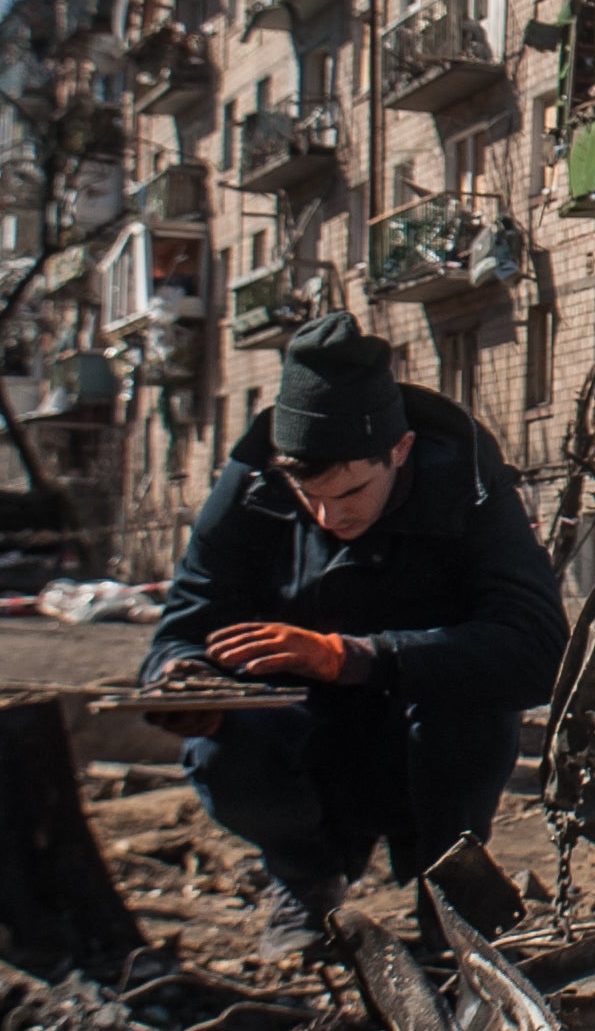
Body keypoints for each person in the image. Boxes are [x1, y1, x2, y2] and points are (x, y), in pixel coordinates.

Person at [144, 320, 566, 959]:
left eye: (349, 493)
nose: (328, 516)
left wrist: (358, 658)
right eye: (307, 496)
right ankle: (305, 883)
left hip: (429, 739)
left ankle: (445, 896)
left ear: (400, 449)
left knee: (470, 705)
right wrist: (179, 677)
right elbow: (183, 623)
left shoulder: (471, 490)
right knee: (222, 747)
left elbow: (538, 648)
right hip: (304, 738)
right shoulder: (251, 489)